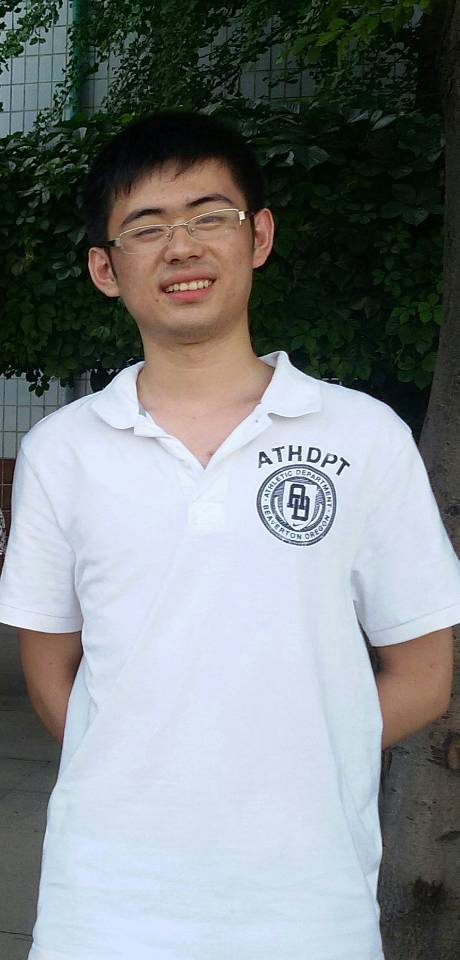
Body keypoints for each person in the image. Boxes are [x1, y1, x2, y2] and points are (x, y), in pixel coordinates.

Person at [0, 110, 459, 960]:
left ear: (259, 237)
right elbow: (48, 668)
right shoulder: (62, 452)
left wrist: (293, 758)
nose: (181, 246)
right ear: (105, 268)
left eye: (210, 216)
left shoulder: (363, 437)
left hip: (308, 904)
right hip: (105, 906)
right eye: (147, 228)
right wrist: (149, 764)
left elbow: (425, 675)